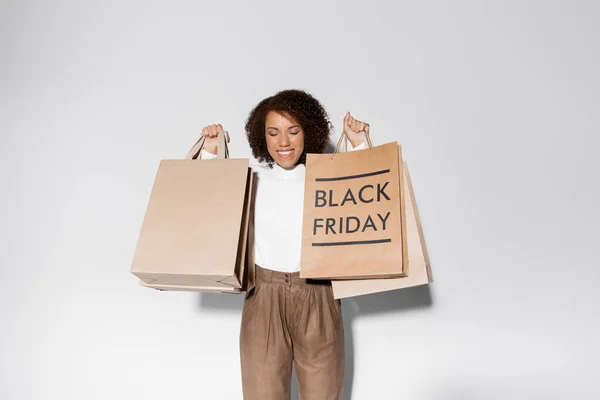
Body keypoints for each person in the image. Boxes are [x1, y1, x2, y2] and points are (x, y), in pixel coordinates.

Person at [200, 89, 369, 400]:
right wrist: (211, 149)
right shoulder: (253, 179)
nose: (283, 142)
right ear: (260, 136)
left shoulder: (326, 178)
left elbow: (365, 192)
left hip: (318, 294)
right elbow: (208, 198)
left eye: (293, 131)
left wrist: (358, 142)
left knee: (324, 393)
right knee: (262, 393)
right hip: (263, 295)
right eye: (273, 132)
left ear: (309, 130)